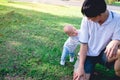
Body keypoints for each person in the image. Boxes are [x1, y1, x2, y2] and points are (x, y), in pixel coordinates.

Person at [73, 0, 120, 80]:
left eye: (90, 18)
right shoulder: (86, 19)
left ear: (100, 15)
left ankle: (117, 74)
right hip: (88, 54)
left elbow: (117, 37)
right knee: (80, 78)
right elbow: (84, 44)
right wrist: (81, 66)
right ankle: (88, 68)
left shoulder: (117, 19)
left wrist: (116, 41)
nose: (88, 19)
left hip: (105, 53)